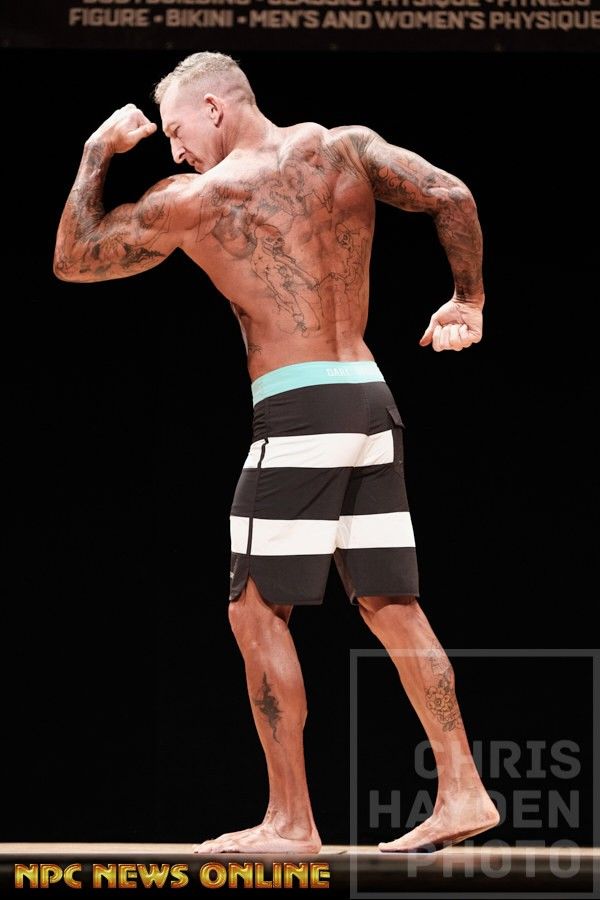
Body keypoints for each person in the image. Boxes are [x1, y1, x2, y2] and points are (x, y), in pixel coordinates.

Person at [54, 51, 499, 854]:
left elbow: (74, 258)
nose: (175, 149)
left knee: (254, 608)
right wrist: (468, 300)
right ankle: (464, 789)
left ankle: (291, 820)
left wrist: (95, 154)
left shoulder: (200, 197)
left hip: (300, 409)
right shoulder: (345, 147)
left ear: (216, 107)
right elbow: (451, 194)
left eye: (178, 129)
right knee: (391, 603)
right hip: (370, 396)